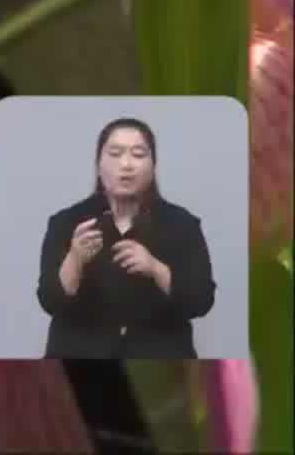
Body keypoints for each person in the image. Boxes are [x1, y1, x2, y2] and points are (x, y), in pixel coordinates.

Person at [37, 117, 216, 358]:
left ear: (153, 166)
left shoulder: (182, 225)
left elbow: (201, 300)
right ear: (99, 164)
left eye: (138, 154)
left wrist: (155, 268)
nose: (127, 164)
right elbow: (50, 300)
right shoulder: (66, 222)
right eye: (115, 153)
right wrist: (75, 258)